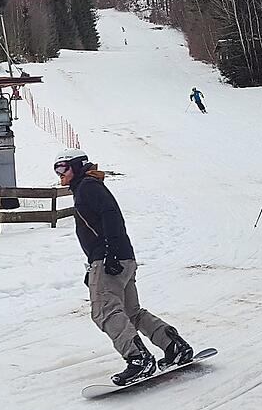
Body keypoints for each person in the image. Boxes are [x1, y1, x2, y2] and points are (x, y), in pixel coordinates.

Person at [55, 148, 193, 386]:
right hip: (121, 257)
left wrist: (109, 255)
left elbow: (111, 216)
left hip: (110, 258)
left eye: (64, 167)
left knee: (104, 312)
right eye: (56, 168)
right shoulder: (89, 186)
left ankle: (139, 359)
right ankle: (174, 346)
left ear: (78, 166)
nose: (60, 173)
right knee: (130, 312)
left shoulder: (87, 187)